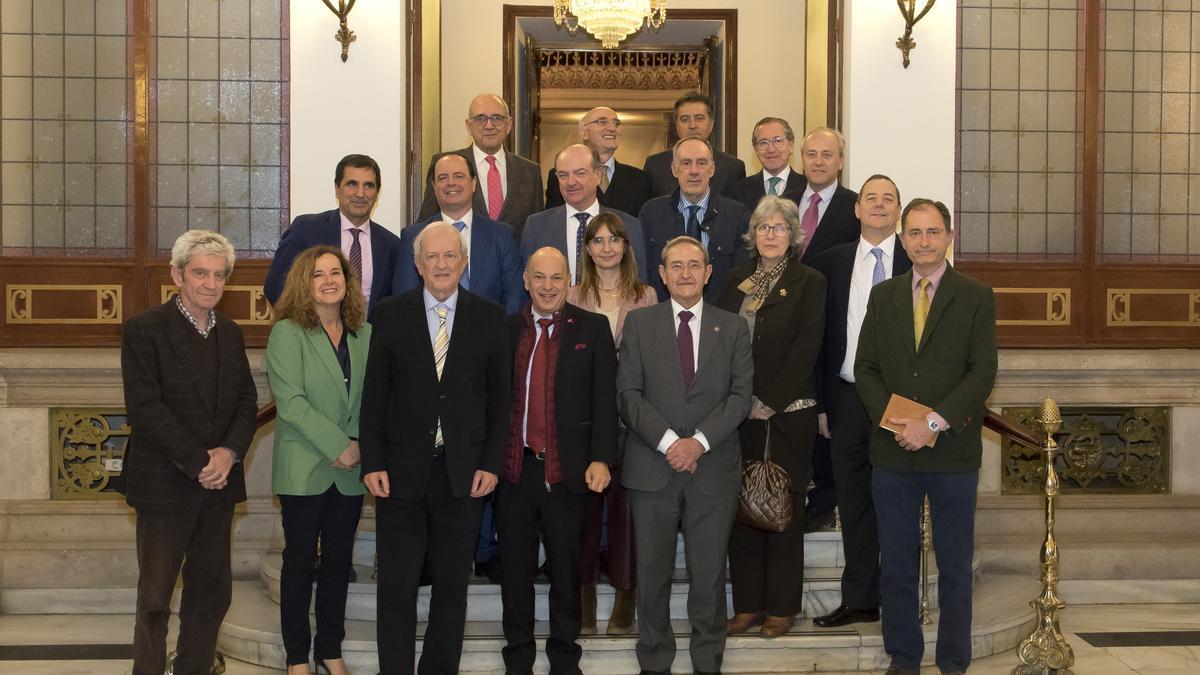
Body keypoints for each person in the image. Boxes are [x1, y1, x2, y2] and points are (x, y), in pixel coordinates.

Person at [359, 222, 512, 675]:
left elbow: (500, 400)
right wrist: (373, 461)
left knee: (451, 586)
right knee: (397, 586)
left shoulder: (490, 317)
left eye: (450, 256)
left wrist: (490, 463)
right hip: (400, 473)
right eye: (432, 257)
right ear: (417, 263)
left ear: (463, 262)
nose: (442, 264)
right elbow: (375, 396)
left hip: (462, 473)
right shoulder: (390, 313)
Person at [854, 198, 997, 675]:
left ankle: (954, 661)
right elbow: (866, 369)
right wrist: (899, 424)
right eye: (913, 233)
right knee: (895, 565)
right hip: (894, 454)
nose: (923, 241)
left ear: (949, 237)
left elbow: (982, 374)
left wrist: (932, 423)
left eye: (932, 232)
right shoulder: (885, 296)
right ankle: (904, 657)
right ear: (903, 238)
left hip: (952, 454)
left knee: (954, 568)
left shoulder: (976, 295)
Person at [120, 230, 257, 675]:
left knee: (212, 592)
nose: (210, 284)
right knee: (156, 598)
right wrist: (201, 461)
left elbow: (245, 403)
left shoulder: (232, 333)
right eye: (200, 273)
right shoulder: (146, 329)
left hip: (217, 487)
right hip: (164, 483)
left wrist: (229, 454)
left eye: (219, 276)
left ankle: (195, 668)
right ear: (178, 275)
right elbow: (145, 408)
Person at [617, 236, 753, 675]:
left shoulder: (732, 327)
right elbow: (628, 394)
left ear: (709, 272)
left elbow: (740, 396)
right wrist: (670, 443)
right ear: (661, 273)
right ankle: (654, 659)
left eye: (695, 265)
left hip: (712, 468)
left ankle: (707, 659)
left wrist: (697, 443)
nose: (686, 273)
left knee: (710, 576)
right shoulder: (639, 323)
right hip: (652, 467)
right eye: (676, 265)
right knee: (651, 574)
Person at [497, 247, 617, 675]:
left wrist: (602, 457)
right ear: (526, 281)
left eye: (556, 278)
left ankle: (565, 657)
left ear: (568, 282)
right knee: (515, 570)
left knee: (566, 571)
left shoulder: (593, 328)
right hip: (515, 471)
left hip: (568, 471)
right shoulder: (505, 329)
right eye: (539, 278)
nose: (547, 286)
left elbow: (605, 399)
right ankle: (519, 656)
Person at [715, 195, 826, 639]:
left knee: (781, 507)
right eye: (763, 228)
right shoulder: (735, 279)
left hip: (788, 414)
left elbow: (807, 346)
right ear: (753, 235)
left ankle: (781, 607)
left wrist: (769, 400)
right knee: (740, 508)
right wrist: (739, 400)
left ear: (794, 235)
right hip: (736, 414)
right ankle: (746, 606)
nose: (771, 235)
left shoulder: (809, 281)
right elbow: (719, 338)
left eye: (780, 228)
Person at [809, 175, 912, 630]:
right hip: (847, 398)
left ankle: (900, 599)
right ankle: (860, 599)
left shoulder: (917, 261)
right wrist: (822, 403)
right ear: (856, 209)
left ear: (899, 211)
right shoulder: (830, 263)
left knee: (898, 500)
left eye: (888, 199)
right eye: (870, 198)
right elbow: (819, 338)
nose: (878, 205)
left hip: (901, 401)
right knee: (852, 502)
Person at [266, 245, 370, 675]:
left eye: (336, 273)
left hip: (351, 470)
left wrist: (360, 442)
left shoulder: (365, 333)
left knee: (338, 563)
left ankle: (331, 650)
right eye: (318, 274)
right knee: (299, 563)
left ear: (348, 282)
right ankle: (296, 656)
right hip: (305, 466)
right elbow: (290, 403)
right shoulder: (287, 333)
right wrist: (339, 445)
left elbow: (375, 397)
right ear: (303, 284)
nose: (329, 281)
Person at [566, 212, 658, 635]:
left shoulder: (646, 295)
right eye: (597, 240)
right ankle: (583, 598)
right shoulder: (572, 296)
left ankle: (625, 599)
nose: (606, 248)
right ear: (587, 249)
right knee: (584, 514)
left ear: (625, 246)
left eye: (613, 239)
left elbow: (655, 364)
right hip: (584, 418)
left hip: (633, 418)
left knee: (626, 514)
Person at [793, 128, 862, 532]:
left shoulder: (855, 208)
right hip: (789, 326)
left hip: (833, 324)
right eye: (812, 154)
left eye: (827, 155)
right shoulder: (783, 203)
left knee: (826, 415)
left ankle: (825, 500)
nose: (819, 161)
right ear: (802, 159)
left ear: (840, 161)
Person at [264, 154, 402, 320]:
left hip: (369, 342)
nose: (360, 193)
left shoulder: (392, 245)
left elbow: (395, 303)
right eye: (352, 184)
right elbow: (276, 287)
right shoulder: (306, 230)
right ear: (337, 189)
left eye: (368, 186)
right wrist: (308, 330)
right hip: (312, 337)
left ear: (377, 193)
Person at [397, 153, 525, 314]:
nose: (451, 183)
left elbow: (515, 299)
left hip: (489, 335)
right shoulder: (413, 237)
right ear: (434, 186)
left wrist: (495, 336)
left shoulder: (502, 236)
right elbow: (404, 302)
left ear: (473, 183)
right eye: (443, 178)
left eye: (459, 176)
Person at [418, 93, 544, 240]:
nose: (489, 126)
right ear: (468, 126)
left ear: (508, 125)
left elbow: (537, 232)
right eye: (480, 119)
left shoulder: (530, 172)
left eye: (497, 118)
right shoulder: (445, 165)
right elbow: (426, 226)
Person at [639, 137, 750, 302]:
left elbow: (742, 278)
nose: (694, 171)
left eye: (702, 163)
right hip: (664, 317)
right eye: (686, 163)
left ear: (712, 169)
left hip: (719, 319)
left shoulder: (737, 215)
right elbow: (642, 273)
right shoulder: (651, 213)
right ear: (674, 169)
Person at [521, 144, 650, 284]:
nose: (571, 182)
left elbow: (638, 285)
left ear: (598, 175)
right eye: (563, 175)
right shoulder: (536, 226)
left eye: (580, 173)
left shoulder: (629, 226)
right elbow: (527, 283)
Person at [546, 106, 654, 217]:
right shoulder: (561, 176)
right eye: (602, 122)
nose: (612, 128)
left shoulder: (640, 180)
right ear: (584, 133)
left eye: (616, 123)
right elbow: (553, 223)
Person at [642, 91, 746, 199]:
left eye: (699, 118)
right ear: (676, 126)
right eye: (685, 119)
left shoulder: (733, 168)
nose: (692, 125)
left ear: (711, 124)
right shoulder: (654, 165)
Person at [733, 117, 805, 212]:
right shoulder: (739, 190)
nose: (771, 149)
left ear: (791, 146)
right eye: (763, 143)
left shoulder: (807, 187)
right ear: (756, 150)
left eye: (778, 141)